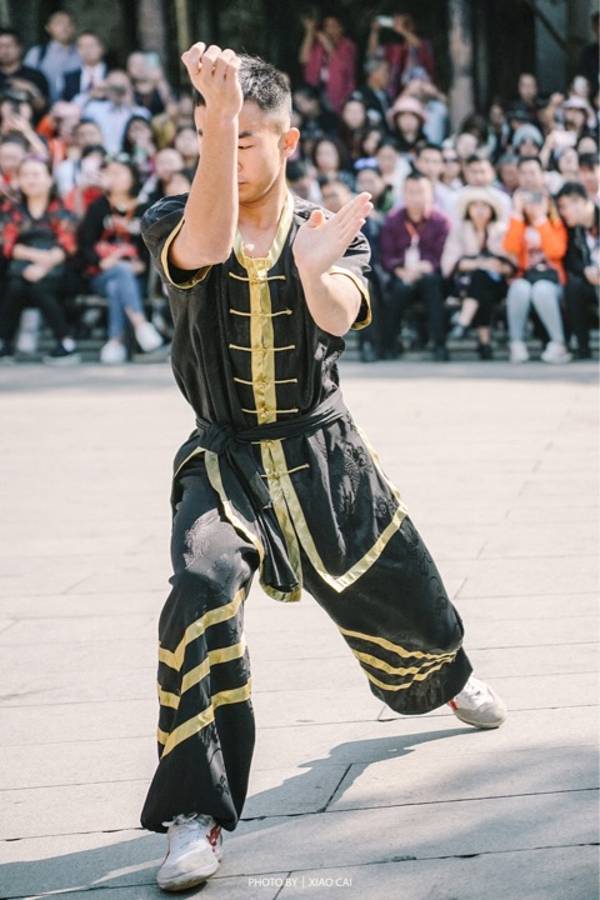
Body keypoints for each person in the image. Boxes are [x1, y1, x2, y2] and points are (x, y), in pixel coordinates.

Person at [138, 44, 506, 893]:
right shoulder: (176, 216)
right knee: (201, 582)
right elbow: (207, 244)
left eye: (244, 138)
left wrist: (312, 270)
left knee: (411, 601)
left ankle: (448, 678)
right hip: (224, 459)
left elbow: (341, 315)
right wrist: (219, 119)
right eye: (212, 135)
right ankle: (195, 811)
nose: (227, 152)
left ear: (288, 140)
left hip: (324, 452)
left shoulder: (329, 230)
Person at [77, 154, 163, 363]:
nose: (113, 177)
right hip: (101, 273)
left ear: (132, 176)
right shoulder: (98, 207)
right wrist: (100, 262)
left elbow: (153, 243)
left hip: (135, 276)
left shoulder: (145, 208)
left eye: (119, 173)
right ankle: (140, 323)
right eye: (109, 173)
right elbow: (85, 243)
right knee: (118, 275)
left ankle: (115, 341)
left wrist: (142, 264)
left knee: (117, 285)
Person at [0, 155, 80, 364]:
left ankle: (65, 344)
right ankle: (4, 344)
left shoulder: (62, 211)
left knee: (39, 287)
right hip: (21, 269)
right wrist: (34, 259)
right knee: (16, 285)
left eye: (36, 174)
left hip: (57, 271)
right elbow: (8, 246)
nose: (31, 180)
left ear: (49, 179)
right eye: (25, 175)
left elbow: (67, 246)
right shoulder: (11, 211)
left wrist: (42, 266)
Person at [380, 171, 451, 360]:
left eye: (421, 192)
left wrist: (425, 267)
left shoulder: (441, 221)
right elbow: (386, 255)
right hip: (401, 274)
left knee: (432, 286)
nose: (416, 197)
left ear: (430, 194)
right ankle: (390, 345)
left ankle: (439, 345)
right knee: (398, 290)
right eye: (411, 192)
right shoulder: (393, 220)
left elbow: (443, 254)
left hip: (430, 274)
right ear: (403, 194)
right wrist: (400, 270)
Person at [441, 187, 513, 359]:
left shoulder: (502, 231)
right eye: (475, 206)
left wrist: (495, 266)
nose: (480, 211)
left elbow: (511, 264)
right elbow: (450, 262)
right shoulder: (459, 231)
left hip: (499, 284)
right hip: (465, 284)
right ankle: (484, 342)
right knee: (481, 283)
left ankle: (463, 321)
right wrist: (481, 263)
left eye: (484, 206)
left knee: (482, 280)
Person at [503, 188, 571, 364]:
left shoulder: (556, 225)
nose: (533, 204)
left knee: (541, 290)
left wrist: (541, 219)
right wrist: (517, 213)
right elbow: (510, 248)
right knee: (519, 288)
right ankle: (516, 342)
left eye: (538, 200)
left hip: (551, 280)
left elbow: (556, 251)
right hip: (526, 277)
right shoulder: (519, 225)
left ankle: (558, 343)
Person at [556, 180, 599, 360]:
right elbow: (571, 261)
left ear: (579, 202)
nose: (562, 213)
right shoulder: (572, 230)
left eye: (564, 207)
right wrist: (585, 271)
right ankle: (582, 347)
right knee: (573, 286)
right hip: (590, 281)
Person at [83, 70, 150, 155]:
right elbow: (76, 111)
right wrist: (92, 94)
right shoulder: (94, 109)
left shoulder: (141, 112)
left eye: (122, 87)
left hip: (130, 156)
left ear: (130, 87)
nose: (118, 91)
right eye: (114, 87)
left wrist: (130, 100)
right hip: (100, 155)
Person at [299, 15, 356, 114]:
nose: (329, 29)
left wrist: (324, 41)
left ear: (341, 28)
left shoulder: (348, 46)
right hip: (317, 88)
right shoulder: (319, 46)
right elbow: (303, 59)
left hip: (338, 91)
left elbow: (341, 65)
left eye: (332, 26)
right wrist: (309, 32)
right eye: (326, 26)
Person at [24, 10, 80, 103]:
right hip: (44, 107)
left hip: (76, 108)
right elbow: (27, 81)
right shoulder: (37, 53)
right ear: (48, 28)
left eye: (69, 23)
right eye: (59, 23)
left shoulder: (82, 53)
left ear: (74, 28)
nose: (65, 27)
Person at [0, 27, 49, 112]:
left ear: (20, 48)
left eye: (9, 45)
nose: (4, 51)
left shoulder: (36, 76)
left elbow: (43, 108)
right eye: (1, 46)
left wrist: (30, 90)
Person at [61, 31, 109, 105]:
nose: (87, 50)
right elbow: (65, 105)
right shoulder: (69, 78)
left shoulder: (113, 75)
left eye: (91, 45)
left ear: (102, 48)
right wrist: (89, 95)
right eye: (82, 46)